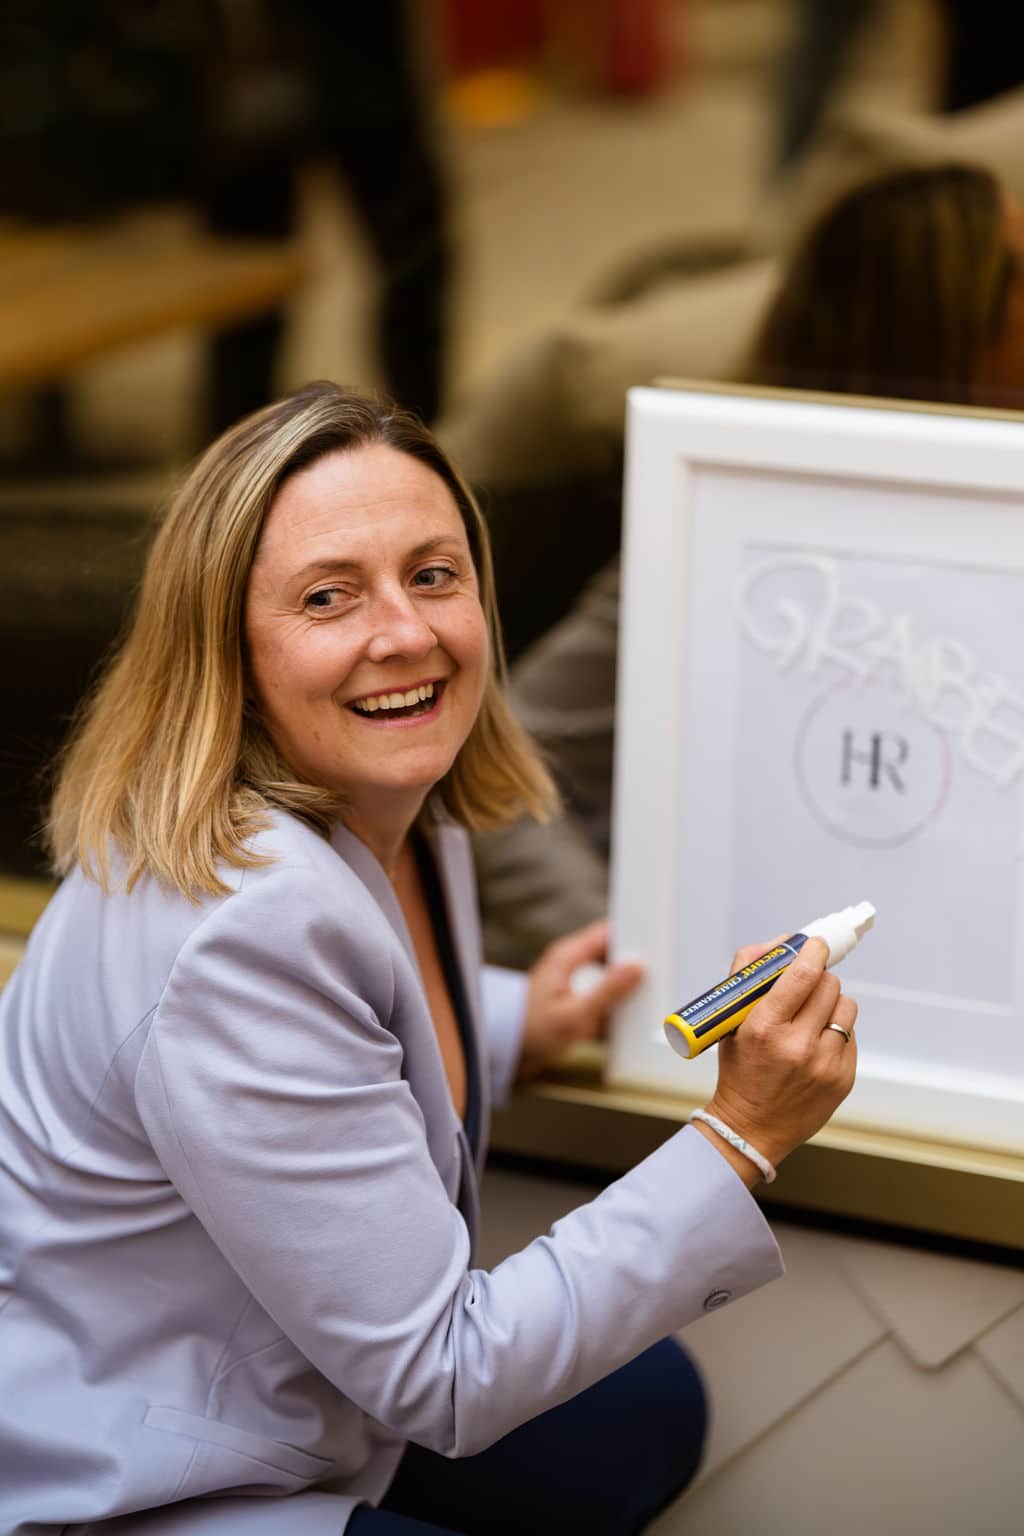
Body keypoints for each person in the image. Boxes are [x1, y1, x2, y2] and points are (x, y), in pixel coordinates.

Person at [0, 383, 858, 1534]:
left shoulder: (394, 802)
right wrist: (741, 1134)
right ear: (226, 649)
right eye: (328, 595)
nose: (406, 633)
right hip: (143, 1471)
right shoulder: (242, 927)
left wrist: (514, 1021)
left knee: (644, 1413)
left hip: (292, 1385)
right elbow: (445, 1376)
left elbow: (314, 1051)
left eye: (434, 574)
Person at [473, 161, 1024, 966]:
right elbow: (501, 765)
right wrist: (634, 964)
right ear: (949, 325)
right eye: (1019, 276)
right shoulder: (739, 544)